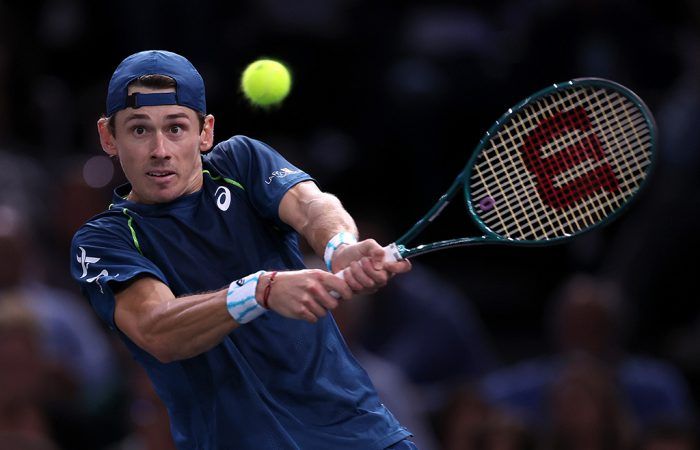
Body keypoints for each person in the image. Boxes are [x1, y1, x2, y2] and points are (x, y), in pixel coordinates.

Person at [70, 50, 414, 450]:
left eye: (176, 128)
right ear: (108, 137)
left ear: (205, 132)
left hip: (362, 437)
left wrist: (339, 246)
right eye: (139, 130)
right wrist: (260, 290)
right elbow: (157, 328)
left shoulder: (241, 163)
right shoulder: (102, 240)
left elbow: (312, 206)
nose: (160, 149)